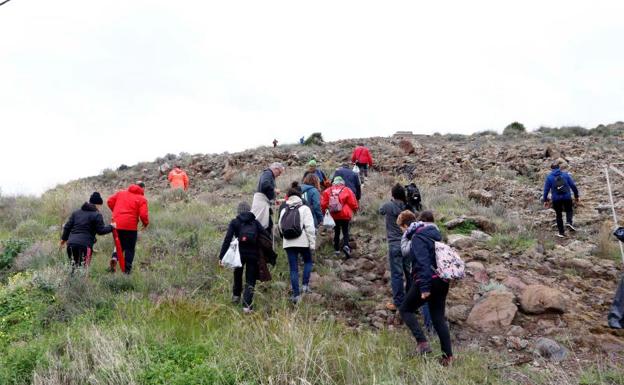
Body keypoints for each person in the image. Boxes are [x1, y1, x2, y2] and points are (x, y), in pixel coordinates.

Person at [398, 211, 453, 366]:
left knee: (405, 309)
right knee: (438, 319)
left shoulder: (417, 237)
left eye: (402, 229)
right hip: (442, 280)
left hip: (428, 280)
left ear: (407, 226)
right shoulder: (433, 234)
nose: (402, 232)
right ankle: (447, 356)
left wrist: (424, 288)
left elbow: (422, 262)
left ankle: (422, 343)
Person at [219, 202, 272, 313]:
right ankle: (247, 306)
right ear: (249, 210)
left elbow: (227, 239)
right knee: (250, 279)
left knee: (237, 273)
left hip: (238, 254)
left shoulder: (235, 222)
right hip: (253, 254)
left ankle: (236, 296)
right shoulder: (255, 222)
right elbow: (266, 236)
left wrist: (222, 256)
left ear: (238, 211)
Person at [278, 185, 316, 303]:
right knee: (308, 261)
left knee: (293, 269)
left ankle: (296, 295)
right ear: (300, 197)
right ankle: (305, 285)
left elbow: (280, 227)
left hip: (288, 242)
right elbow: (310, 227)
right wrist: (312, 244)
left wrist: (284, 239)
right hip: (303, 240)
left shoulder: (284, 209)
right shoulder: (305, 208)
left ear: (288, 197)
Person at [60, 192, 114, 272]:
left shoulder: (76, 213)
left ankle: (72, 283)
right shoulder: (97, 215)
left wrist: (63, 240)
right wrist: (112, 227)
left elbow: (67, 227)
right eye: (100, 206)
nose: (99, 208)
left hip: (71, 244)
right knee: (83, 271)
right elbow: (101, 231)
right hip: (85, 246)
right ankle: (80, 284)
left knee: (73, 269)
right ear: (98, 204)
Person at [380, 184, 414, 311]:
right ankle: (411, 302)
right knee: (410, 274)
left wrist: (391, 201)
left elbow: (380, 210)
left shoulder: (388, 206)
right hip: (408, 245)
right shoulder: (408, 207)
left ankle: (398, 303)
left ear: (393, 195)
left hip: (394, 244)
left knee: (396, 275)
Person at [107, 181, 149, 274]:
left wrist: (116, 213)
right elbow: (143, 215)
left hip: (116, 224)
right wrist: (145, 224)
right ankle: (127, 270)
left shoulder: (120, 193)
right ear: (142, 189)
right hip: (130, 227)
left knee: (119, 244)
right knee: (130, 248)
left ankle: (114, 258)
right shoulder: (142, 199)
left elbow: (109, 201)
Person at [321, 176, 359, 259]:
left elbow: (323, 204)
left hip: (334, 214)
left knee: (337, 231)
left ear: (334, 182)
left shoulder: (328, 190)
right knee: (345, 231)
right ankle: (346, 245)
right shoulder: (347, 190)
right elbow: (353, 202)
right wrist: (355, 209)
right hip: (345, 214)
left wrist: (325, 213)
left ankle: (336, 250)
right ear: (342, 182)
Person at [543, 158, 580, 238]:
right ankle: (569, 222)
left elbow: (546, 190)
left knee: (558, 215)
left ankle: (561, 233)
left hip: (556, 199)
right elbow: (573, 186)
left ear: (551, 169)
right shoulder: (565, 175)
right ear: (559, 168)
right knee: (569, 210)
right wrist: (576, 196)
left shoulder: (549, 177)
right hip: (567, 197)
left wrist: (545, 200)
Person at [251, 162, 285, 231]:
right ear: (276, 169)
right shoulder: (268, 173)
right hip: (261, 203)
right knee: (258, 224)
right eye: (280, 172)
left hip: (263, 203)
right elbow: (264, 184)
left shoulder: (270, 175)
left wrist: (275, 200)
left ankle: (265, 240)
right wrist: (274, 190)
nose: (279, 175)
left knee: (268, 225)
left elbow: (267, 191)